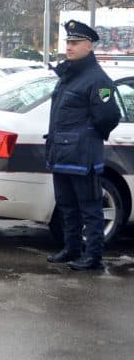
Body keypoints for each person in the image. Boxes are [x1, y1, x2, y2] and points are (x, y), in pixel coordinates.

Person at [45, 20, 120, 271]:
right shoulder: (69, 75)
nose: (69, 47)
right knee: (67, 206)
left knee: (90, 208)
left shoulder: (98, 79)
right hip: (62, 153)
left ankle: (93, 256)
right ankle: (71, 248)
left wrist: (87, 137)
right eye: (68, 42)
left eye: (75, 43)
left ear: (89, 46)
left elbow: (108, 116)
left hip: (83, 155)